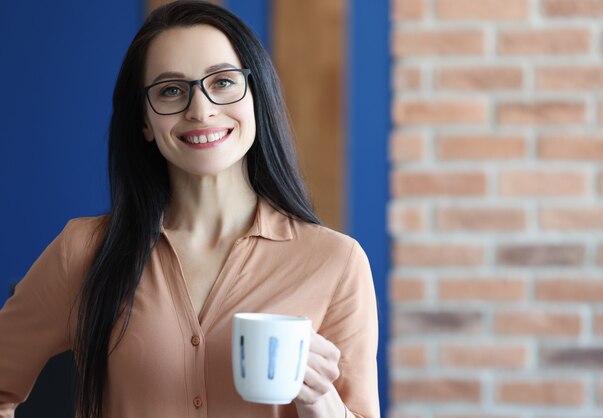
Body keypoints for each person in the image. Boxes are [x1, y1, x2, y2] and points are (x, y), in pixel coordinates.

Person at [0, 1, 379, 417]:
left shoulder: (336, 263)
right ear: (144, 122)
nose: (200, 110)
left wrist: (320, 400)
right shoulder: (84, 250)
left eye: (222, 82)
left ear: (256, 95)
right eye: (171, 90)